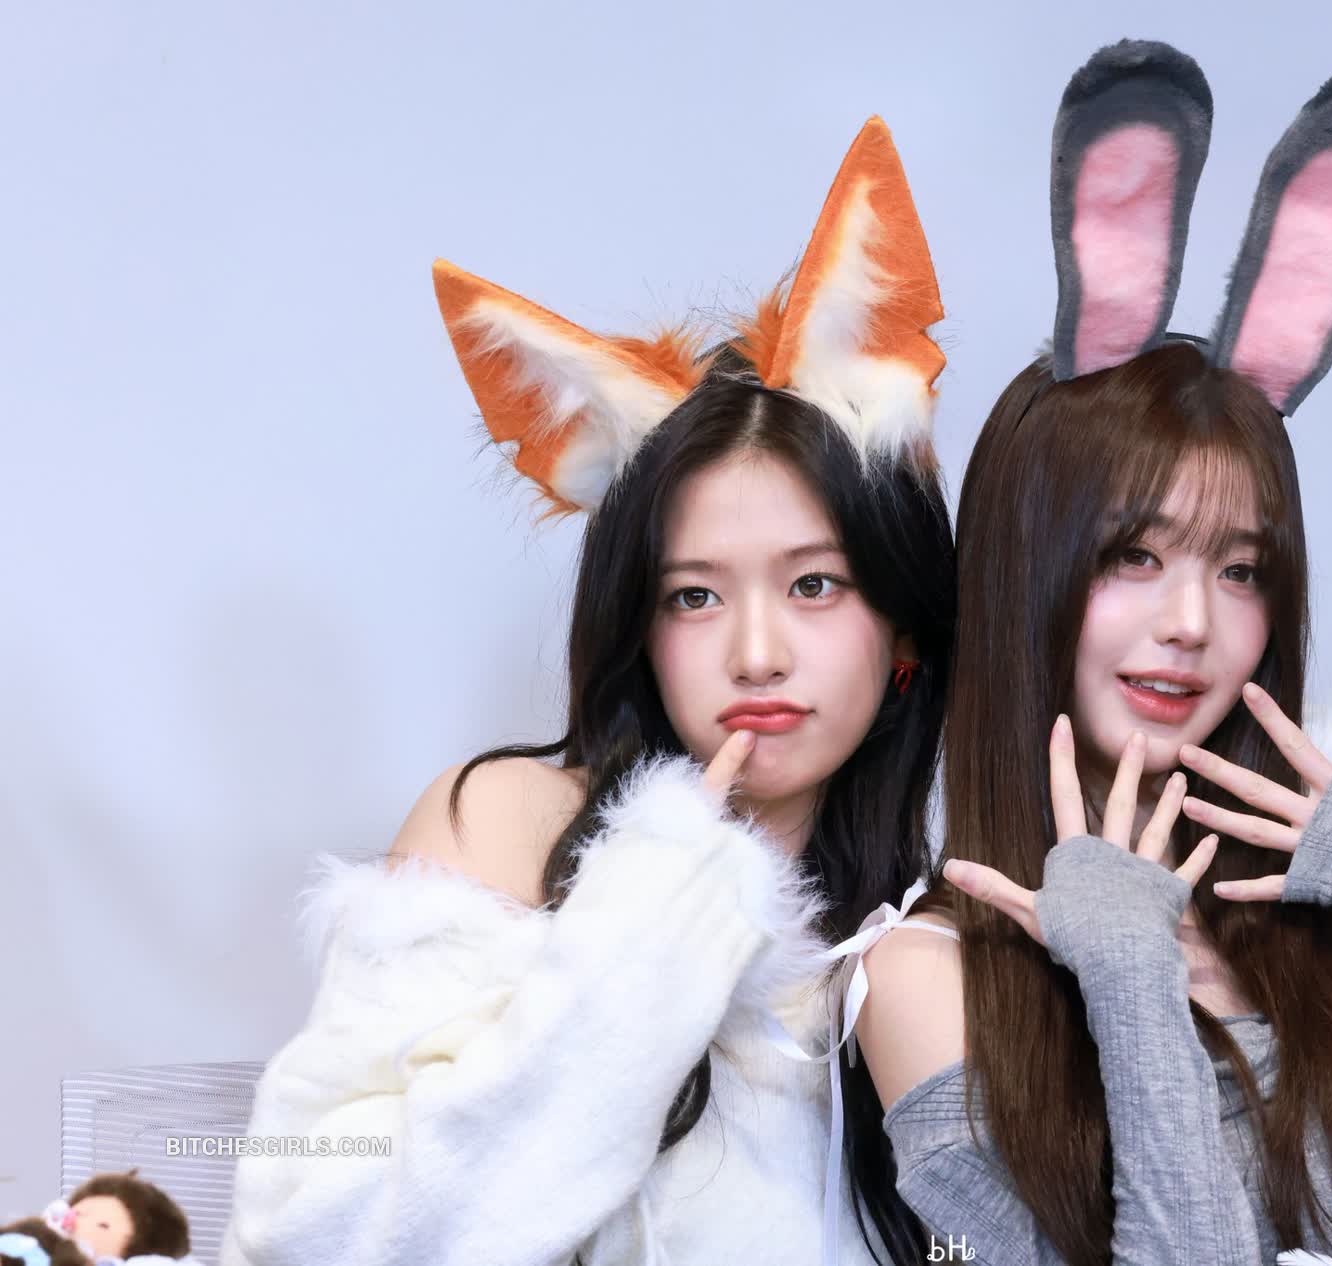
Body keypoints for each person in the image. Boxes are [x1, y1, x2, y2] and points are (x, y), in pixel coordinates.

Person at [854, 42, 1332, 1265]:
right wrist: (1130, 976)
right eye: (1133, 556)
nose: (1193, 622)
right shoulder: (927, 976)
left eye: (1241, 569)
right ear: (1021, 572)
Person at [222, 117, 955, 1266]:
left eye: (813, 585)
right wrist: (656, 915)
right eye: (694, 596)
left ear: (901, 624)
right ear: (639, 630)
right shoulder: (505, 825)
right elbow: (306, 1226)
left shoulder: (923, 936)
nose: (756, 652)